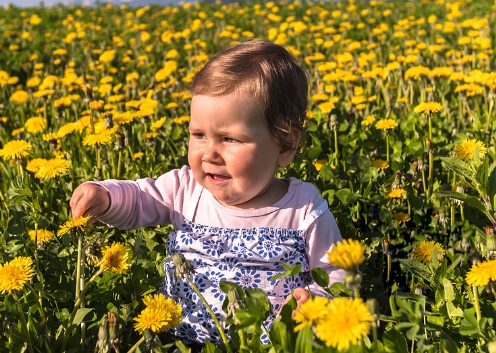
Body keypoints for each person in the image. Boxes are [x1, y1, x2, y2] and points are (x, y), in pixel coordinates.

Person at [70, 40, 344, 345]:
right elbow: (139, 198)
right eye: (199, 135)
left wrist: (317, 304)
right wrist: (106, 196)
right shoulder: (185, 190)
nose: (209, 153)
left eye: (229, 139)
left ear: (286, 144)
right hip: (180, 341)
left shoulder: (303, 209)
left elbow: (337, 272)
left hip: (269, 346)